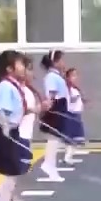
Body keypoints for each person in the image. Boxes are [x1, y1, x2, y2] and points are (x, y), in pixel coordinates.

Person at [0, 51, 43, 201]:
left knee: (13, 172)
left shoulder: (13, 86)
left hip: (12, 131)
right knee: (11, 172)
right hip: (7, 132)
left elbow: (17, 108)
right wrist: (6, 129)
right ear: (9, 68)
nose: (24, 68)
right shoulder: (6, 86)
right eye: (21, 65)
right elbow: (1, 111)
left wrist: (32, 110)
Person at [38, 50, 70, 181]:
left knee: (55, 138)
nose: (63, 62)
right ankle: (49, 164)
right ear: (55, 62)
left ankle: (50, 164)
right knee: (53, 137)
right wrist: (48, 109)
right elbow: (51, 94)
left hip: (60, 106)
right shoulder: (51, 76)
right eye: (61, 60)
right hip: (56, 106)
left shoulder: (56, 75)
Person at [63, 67, 88, 163]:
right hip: (71, 115)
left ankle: (68, 155)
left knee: (74, 139)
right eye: (73, 75)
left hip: (76, 115)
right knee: (72, 139)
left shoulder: (74, 89)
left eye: (76, 75)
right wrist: (75, 98)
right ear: (68, 78)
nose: (75, 78)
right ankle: (67, 156)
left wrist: (83, 100)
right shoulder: (67, 89)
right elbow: (68, 101)